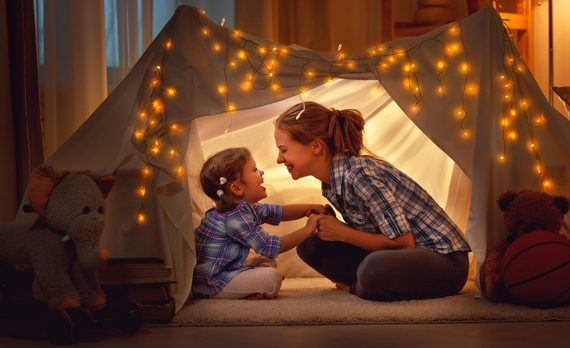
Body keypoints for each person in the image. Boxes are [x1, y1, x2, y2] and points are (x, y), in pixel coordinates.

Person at [274, 101, 471, 301]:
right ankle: (367, 284)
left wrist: (343, 233)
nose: (279, 159)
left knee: (374, 268)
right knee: (310, 245)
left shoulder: (361, 175)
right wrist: (334, 230)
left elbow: (403, 243)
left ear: (315, 146)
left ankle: (359, 287)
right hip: (400, 258)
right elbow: (375, 234)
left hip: (444, 262)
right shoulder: (331, 184)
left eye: (284, 150)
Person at [192, 147, 324, 300]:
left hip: (226, 270)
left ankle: (249, 288)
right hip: (212, 282)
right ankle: (249, 288)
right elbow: (269, 247)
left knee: (267, 262)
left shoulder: (243, 208)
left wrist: (312, 208)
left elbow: (279, 212)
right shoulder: (234, 217)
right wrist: (308, 229)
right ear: (237, 188)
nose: (261, 172)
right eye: (254, 169)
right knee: (272, 278)